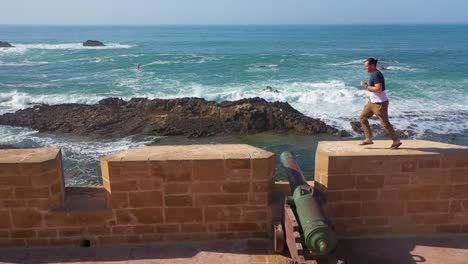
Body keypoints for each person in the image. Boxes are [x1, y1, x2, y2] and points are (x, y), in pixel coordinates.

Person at [359, 58, 402, 149]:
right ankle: (369, 139)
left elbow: (378, 89)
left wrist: (366, 86)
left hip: (380, 104)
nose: (365, 68)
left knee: (385, 123)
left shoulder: (376, 75)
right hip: (372, 102)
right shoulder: (373, 74)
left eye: (366, 66)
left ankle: (396, 141)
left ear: (372, 65)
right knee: (363, 118)